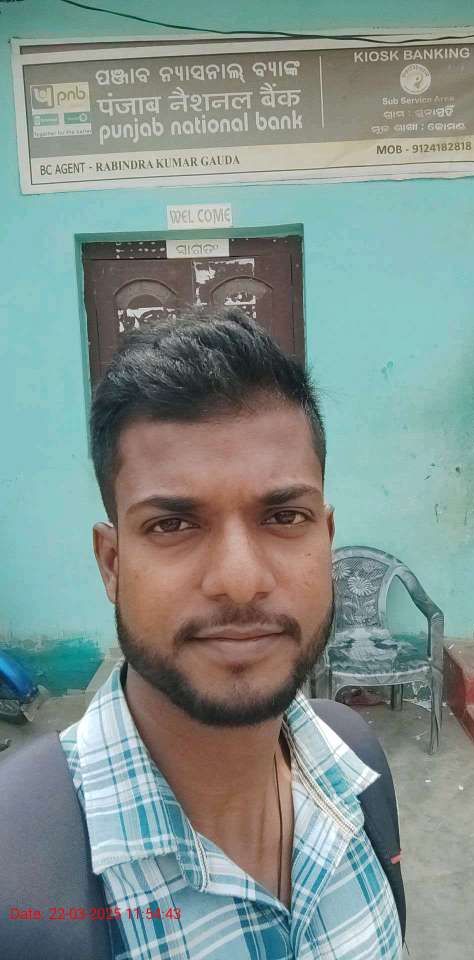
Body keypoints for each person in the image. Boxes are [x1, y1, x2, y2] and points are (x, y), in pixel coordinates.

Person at [58, 307, 402, 959]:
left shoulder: (359, 774)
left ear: (325, 538)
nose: (240, 582)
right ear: (112, 563)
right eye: (172, 525)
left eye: (284, 516)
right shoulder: (21, 875)